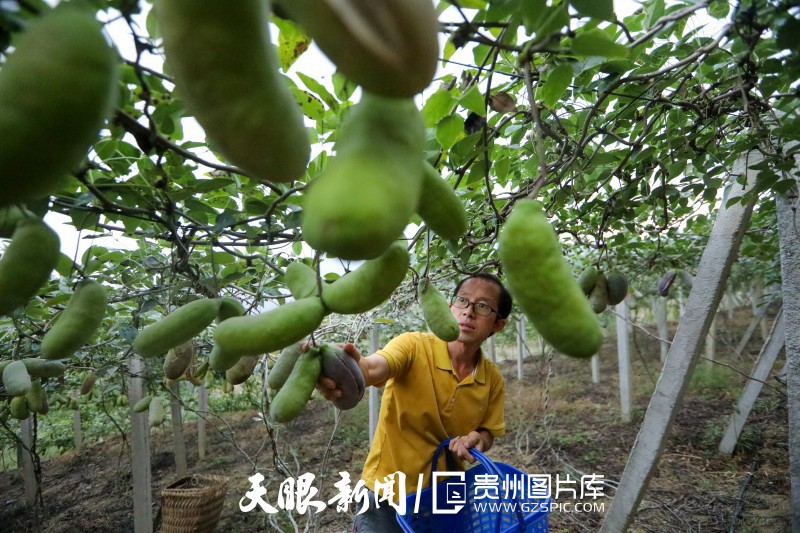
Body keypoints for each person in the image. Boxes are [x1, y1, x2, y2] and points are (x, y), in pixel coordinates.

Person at [317, 273, 513, 532]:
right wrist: (349, 367)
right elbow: (374, 367)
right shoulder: (414, 346)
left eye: (483, 306)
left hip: (443, 498)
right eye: (463, 301)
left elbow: (489, 432)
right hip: (386, 494)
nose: (469, 312)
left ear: (498, 324)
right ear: (450, 306)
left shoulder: (492, 379)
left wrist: (478, 438)